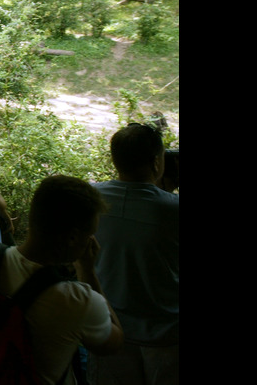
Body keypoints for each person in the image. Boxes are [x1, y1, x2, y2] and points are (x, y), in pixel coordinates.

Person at [0, 175, 124, 384]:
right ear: (73, 238)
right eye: (90, 234)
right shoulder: (76, 300)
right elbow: (114, 342)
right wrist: (87, 272)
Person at [88, 123, 179, 385]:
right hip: (166, 333)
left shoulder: (91, 197)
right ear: (156, 162)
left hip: (107, 326)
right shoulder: (172, 208)